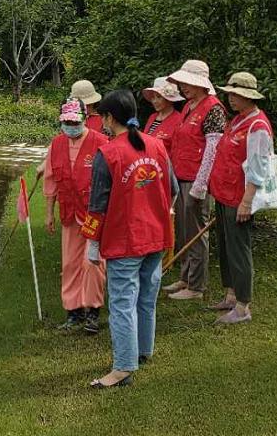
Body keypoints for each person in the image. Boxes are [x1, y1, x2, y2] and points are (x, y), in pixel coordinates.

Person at [82, 89, 177, 388]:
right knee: (147, 296)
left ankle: (123, 367)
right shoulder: (156, 145)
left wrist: (91, 243)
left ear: (109, 118)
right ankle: (143, 350)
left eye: (102, 117)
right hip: (157, 235)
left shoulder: (107, 154)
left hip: (126, 240)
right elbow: (172, 188)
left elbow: (96, 205)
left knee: (123, 302)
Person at [208, 72, 274, 324]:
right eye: (230, 93)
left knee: (238, 249)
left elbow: (259, 168)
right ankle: (230, 294)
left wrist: (247, 202)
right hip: (224, 193)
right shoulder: (236, 120)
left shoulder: (257, 127)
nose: (231, 98)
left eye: (237, 94)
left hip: (239, 197)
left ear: (249, 97)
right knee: (225, 247)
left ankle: (243, 306)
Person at [43, 100, 109, 333]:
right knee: (70, 264)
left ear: (84, 119)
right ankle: (73, 312)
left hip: (93, 214)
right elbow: (51, 180)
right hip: (69, 214)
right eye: (66, 122)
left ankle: (92, 312)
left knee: (92, 262)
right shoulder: (57, 144)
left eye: (74, 122)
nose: (70, 126)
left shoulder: (100, 142)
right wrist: (49, 213)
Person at [164, 60, 226, 300]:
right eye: (182, 82)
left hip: (195, 179)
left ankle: (197, 286)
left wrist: (200, 186)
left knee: (197, 231)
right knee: (183, 228)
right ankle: (185, 277)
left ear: (201, 83)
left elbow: (212, 150)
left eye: (188, 82)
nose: (183, 86)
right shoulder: (190, 105)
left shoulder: (213, 109)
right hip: (181, 176)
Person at [142, 77, 184, 154]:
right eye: (153, 97)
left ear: (169, 99)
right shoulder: (152, 117)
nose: (154, 101)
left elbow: (177, 150)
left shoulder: (179, 120)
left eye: (159, 97)